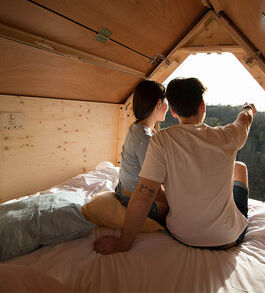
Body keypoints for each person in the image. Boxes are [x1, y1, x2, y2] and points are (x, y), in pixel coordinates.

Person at [94, 77, 256, 254]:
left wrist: (124, 242)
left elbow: (143, 195)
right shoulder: (228, 136)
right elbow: (245, 120)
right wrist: (247, 109)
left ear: (173, 111)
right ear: (202, 105)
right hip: (227, 238)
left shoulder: (161, 140)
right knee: (240, 167)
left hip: (181, 235)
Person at [114, 79, 169, 225]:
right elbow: (154, 189)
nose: (168, 106)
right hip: (131, 199)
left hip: (121, 189)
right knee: (177, 207)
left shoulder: (136, 127)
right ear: (159, 104)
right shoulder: (146, 139)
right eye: (166, 102)